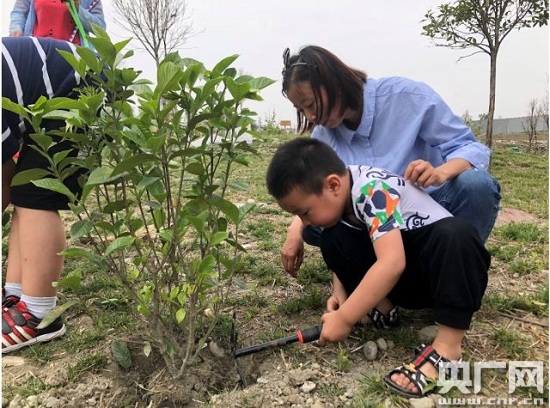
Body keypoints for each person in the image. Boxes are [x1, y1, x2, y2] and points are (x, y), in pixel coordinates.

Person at [266, 137, 491, 398]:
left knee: (457, 234)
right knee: (334, 236)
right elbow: (351, 245)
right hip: (405, 276)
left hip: (438, 277)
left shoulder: (371, 189)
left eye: (305, 212)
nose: (304, 220)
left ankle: (448, 347)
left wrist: (345, 317)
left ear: (333, 185)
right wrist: (341, 293)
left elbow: (392, 262)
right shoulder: (344, 192)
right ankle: (384, 307)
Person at [279, 45, 501, 283]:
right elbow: (316, 192)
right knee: (314, 226)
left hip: (429, 214)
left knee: (477, 185)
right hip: (373, 223)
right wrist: (295, 231)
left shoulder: (407, 97)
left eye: (311, 104)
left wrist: (440, 173)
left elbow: (468, 147)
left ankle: (456, 272)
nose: (310, 117)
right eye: (301, 110)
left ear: (333, 81)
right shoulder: (323, 136)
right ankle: (385, 283)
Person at [2, 36, 89, 353]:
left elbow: (4, 183)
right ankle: (16, 297)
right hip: (52, 92)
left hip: (82, 88)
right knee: (25, 190)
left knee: (34, 193)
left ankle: (39, 314)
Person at [9, 0, 106, 46]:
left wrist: (78, 9)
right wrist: (16, 30)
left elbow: (100, 27)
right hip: (37, 52)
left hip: (74, 56)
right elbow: (19, 12)